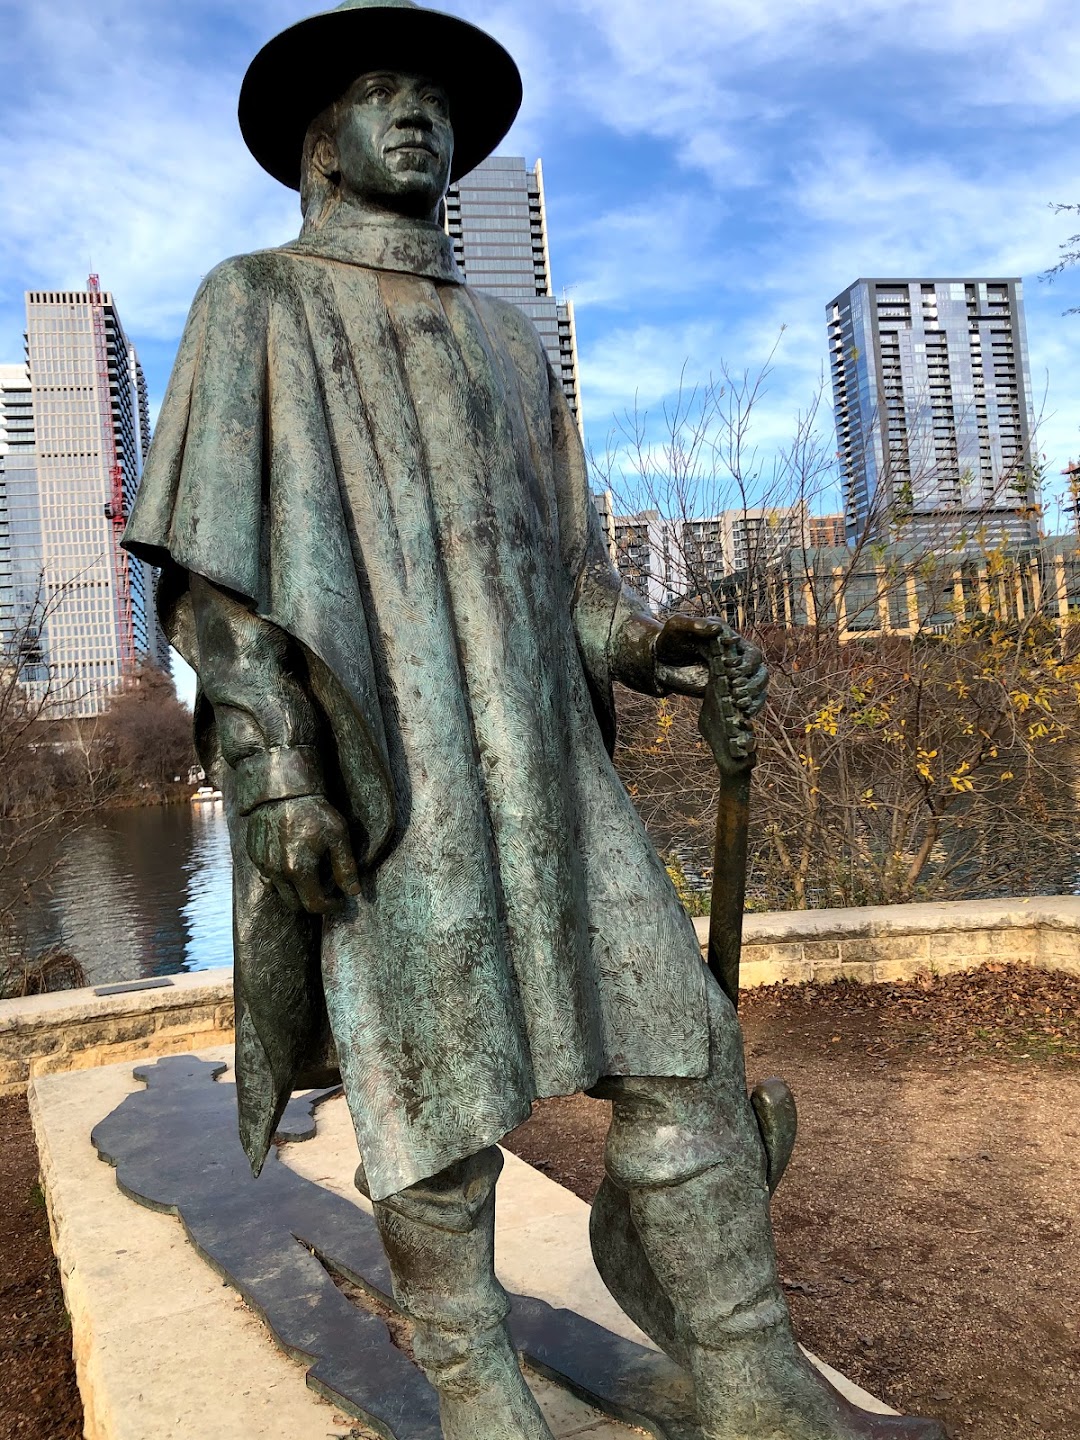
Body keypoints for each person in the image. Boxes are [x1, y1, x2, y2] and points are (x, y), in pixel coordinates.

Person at [124, 4, 944, 1438]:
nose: (415, 114)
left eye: (430, 97)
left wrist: (651, 644)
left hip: (549, 772)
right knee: (426, 1093)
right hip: (396, 771)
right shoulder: (252, 301)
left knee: (683, 1051)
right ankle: (478, 1384)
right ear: (319, 145)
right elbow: (221, 593)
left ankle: (750, 1378)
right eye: (379, 95)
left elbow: (569, 575)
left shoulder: (515, 343)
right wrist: (276, 778)